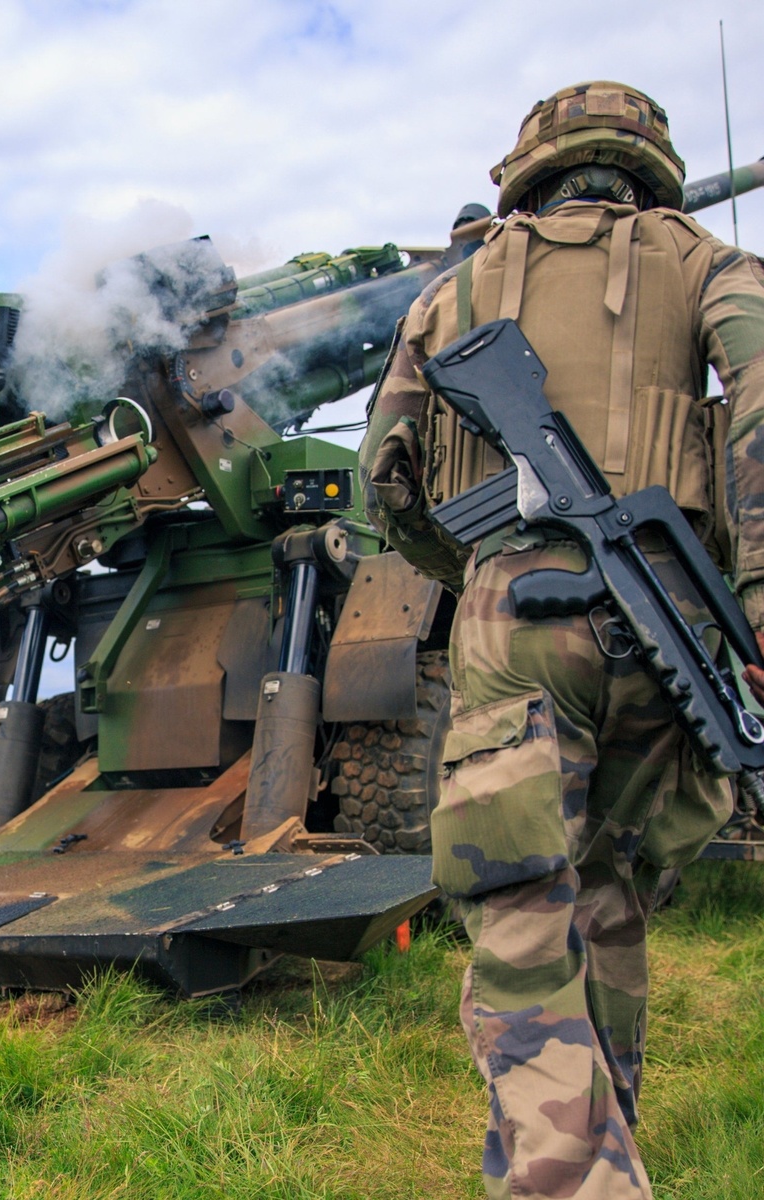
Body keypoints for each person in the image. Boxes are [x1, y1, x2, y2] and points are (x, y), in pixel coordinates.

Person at [361, 81, 764, 1200]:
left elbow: (385, 476)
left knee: (523, 927)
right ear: (649, 167)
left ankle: (572, 1180)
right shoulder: (712, 266)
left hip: (516, 625)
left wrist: (474, 571)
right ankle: (602, 1146)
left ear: (530, 167)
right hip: (673, 619)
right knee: (608, 905)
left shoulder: (455, 289)